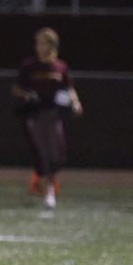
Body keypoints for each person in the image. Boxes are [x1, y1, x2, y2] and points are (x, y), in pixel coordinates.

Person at [12, 28, 83, 209]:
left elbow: (68, 87)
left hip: (53, 113)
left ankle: (47, 183)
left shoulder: (60, 66)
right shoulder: (29, 66)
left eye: (44, 43)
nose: (40, 46)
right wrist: (28, 95)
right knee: (41, 152)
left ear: (52, 45)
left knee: (57, 153)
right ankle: (48, 191)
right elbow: (17, 87)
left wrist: (75, 102)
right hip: (35, 114)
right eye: (38, 43)